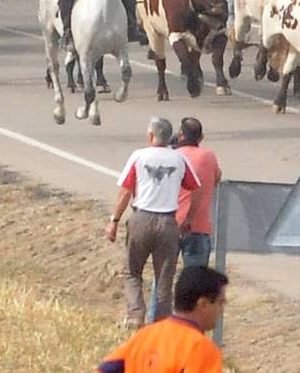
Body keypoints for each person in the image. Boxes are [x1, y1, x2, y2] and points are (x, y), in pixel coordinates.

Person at [108, 116, 202, 327]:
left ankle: (135, 314)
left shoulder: (139, 156)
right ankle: (160, 324)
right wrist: (188, 217)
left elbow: (125, 191)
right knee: (164, 279)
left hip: (141, 217)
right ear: (172, 137)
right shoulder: (179, 159)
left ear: (151, 136)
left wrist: (114, 220)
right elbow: (195, 189)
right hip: (168, 222)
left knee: (133, 271)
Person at [97, 266, 227, 372]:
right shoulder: (201, 348)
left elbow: (106, 369)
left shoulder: (145, 335)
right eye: (220, 302)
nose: (221, 310)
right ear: (203, 304)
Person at [172, 117, 221, 271]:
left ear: (180, 136)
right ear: (201, 138)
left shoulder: (172, 156)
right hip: (198, 226)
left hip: (171, 224)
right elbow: (217, 178)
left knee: (162, 278)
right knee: (196, 280)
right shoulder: (208, 156)